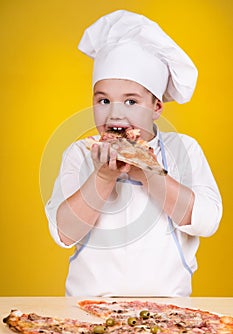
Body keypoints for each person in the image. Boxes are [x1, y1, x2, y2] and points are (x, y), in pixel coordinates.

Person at [45, 10, 222, 297]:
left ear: (156, 107)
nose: (115, 113)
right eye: (104, 100)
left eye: (131, 101)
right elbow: (64, 233)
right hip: (86, 310)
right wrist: (103, 176)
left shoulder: (184, 150)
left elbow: (206, 221)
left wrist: (145, 169)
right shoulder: (79, 153)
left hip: (171, 315)